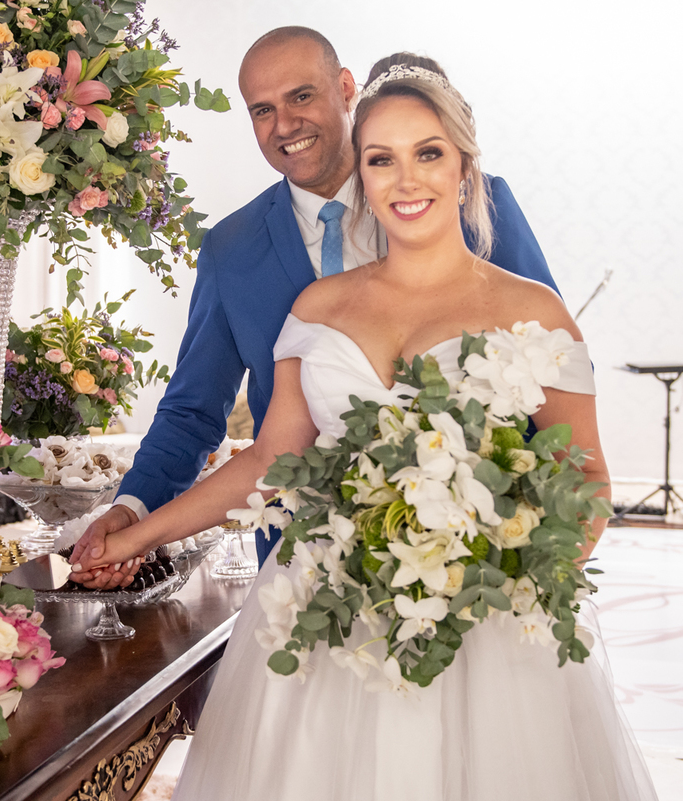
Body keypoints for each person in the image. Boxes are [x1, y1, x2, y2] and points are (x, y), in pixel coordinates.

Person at [71, 53, 658, 800]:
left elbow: (586, 477)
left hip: (483, 621)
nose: (406, 180)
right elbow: (271, 460)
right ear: (364, 171)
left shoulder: (532, 309)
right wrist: (133, 535)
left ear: (465, 166)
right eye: (382, 159)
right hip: (323, 614)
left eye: (429, 154)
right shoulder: (316, 308)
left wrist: (506, 594)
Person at [76, 27, 559, 588]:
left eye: (301, 96)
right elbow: (194, 412)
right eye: (262, 110)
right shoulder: (232, 250)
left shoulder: (466, 202)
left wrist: (519, 527)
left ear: (346, 88)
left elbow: (551, 367)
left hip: (474, 553)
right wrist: (131, 512)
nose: (284, 125)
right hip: (301, 566)